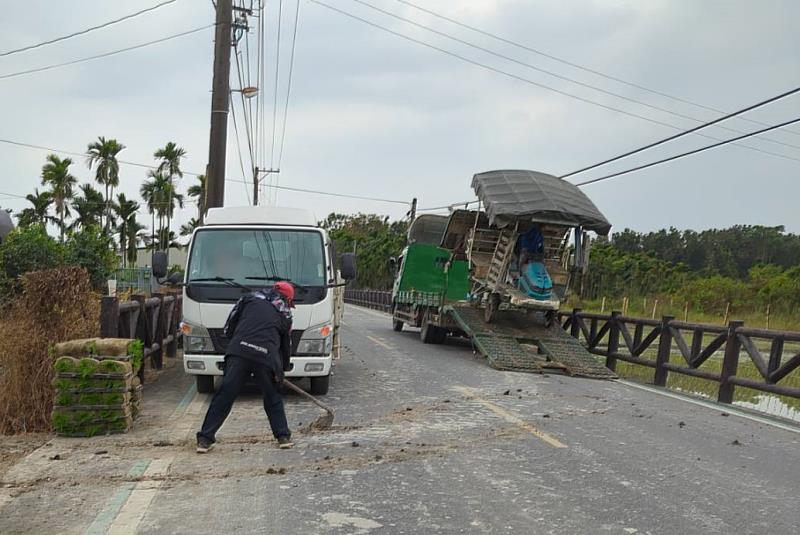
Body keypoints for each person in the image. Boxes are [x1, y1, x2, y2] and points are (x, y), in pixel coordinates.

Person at [196, 281, 296, 452]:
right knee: (272, 396)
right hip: (266, 356)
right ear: (288, 299)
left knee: (225, 394)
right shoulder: (284, 313)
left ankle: (205, 439)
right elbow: (285, 345)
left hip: (239, 351)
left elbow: (229, 326)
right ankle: (283, 437)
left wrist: (237, 344)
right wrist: (281, 370)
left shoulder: (248, 299)